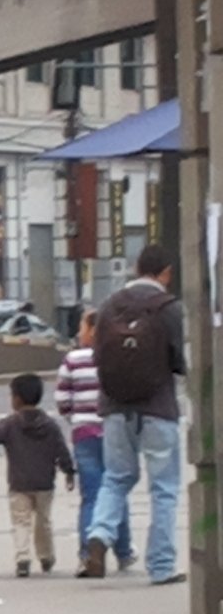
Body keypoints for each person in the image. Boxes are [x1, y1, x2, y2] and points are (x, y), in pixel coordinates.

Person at [81, 245, 187, 584]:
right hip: (158, 410)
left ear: (136, 268)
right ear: (166, 272)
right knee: (164, 488)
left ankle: (98, 535)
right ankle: (160, 566)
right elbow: (181, 361)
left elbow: (97, 355)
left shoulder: (111, 304)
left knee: (116, 478)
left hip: (114, 409)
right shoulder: (169, 309)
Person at [0, 373, 75, 577]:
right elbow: (61, 450)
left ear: (17, 399)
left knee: (21, 521)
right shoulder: (50, 425)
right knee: (43, 521)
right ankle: (46, 556)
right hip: (45, 483)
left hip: (19, 482)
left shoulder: (10, 424)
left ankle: (22, 558)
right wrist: (69, 471)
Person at [55, 309, 135, 575]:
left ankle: (87, 554)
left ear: (91, 330)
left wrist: (75, 417)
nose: (79, 332)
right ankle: (123, 551)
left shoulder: (73, 359)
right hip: (114, 430)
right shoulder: (118, 356)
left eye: (81, 327)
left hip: (84, 435)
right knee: (116, 489)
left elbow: (62, 399)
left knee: (91, 495)